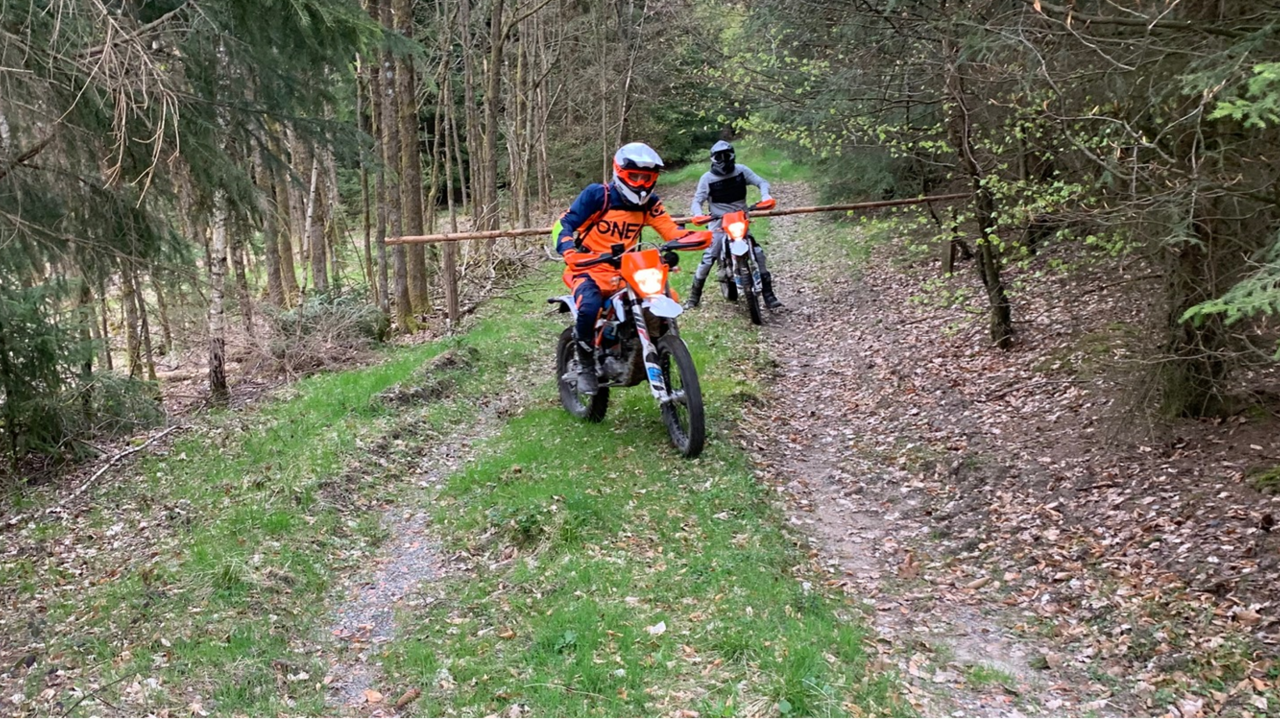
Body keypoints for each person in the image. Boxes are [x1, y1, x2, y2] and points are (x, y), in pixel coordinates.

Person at [556, 142, 707, 395]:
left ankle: (658, 354)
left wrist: (692, 237)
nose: (640, 183)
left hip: (626, 269)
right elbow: (564, 223)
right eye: (634, 176)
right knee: (590, 305)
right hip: (587, 267)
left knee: (663, 298)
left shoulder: (650, 203)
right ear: (620, 173)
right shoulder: (598, 195)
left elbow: (670, 229)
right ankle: (585, 366)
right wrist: (569, 250)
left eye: (646, 178)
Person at [687, 140, 781, 309]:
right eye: (719, 157)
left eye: (726, 156)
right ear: (713, 159)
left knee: (758, 253)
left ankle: (768, 294)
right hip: (717, 222)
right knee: (709, 256)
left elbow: (762, 182)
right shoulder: (707, 179)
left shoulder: (741, 171)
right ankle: (694, 297)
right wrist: (698, 214)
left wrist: (765, 195)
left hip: (740, 220)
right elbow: (697, 200)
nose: (723, 160)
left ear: (732, 156)